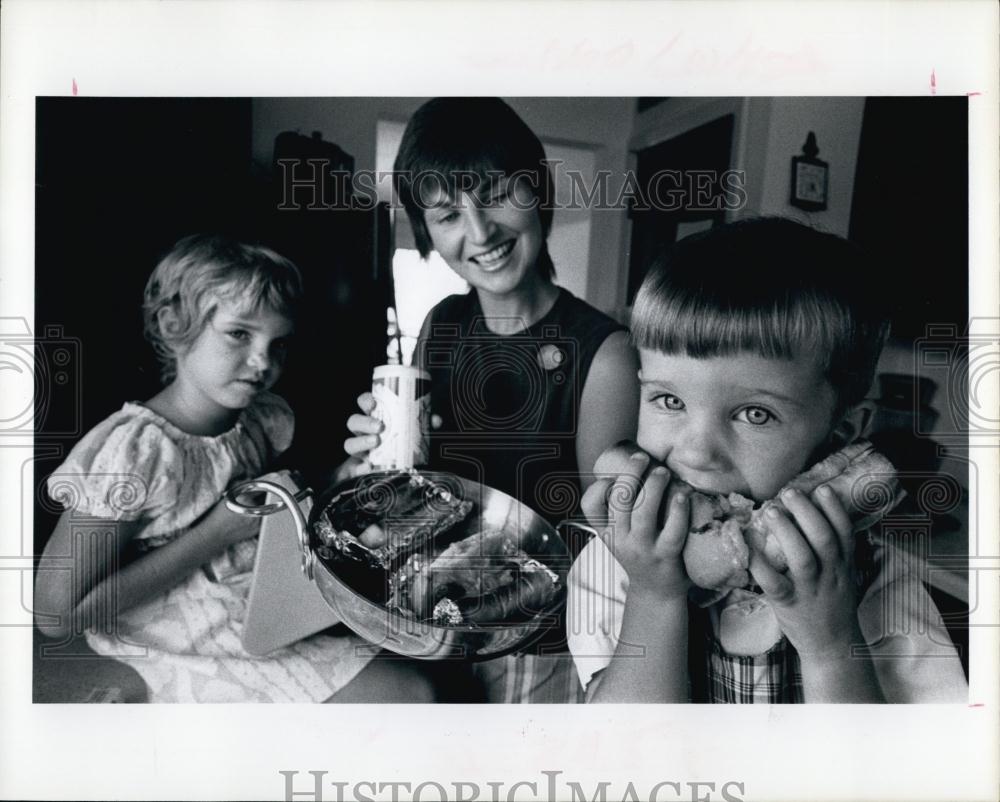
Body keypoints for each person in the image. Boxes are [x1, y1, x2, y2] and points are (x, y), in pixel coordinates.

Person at [567, 218, 968, 703]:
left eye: (754, 414)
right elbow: (625, 755)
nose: (695, 452)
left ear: (839, 434)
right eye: (669, 401)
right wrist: (654, 596)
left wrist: (830, 644)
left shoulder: (880, 586)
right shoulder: (612, 564)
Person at [35, 234, 437, 703]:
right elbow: (55, 615)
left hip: (251, 607)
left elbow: (264, 512)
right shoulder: (135, 452)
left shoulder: (257, 421)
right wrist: (215, 534)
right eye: (239, 334)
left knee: (416, 645)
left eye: (279, 343)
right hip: (172, 634)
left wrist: (346, 476)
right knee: (409, 694)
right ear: (173, 324)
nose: (263, 360)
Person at [343, 98, 640, 702]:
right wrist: (373, 467)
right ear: (426, 230)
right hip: (435, 617)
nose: (479, 233)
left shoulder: (604, 355)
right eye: (448, 213)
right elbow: (417, 489)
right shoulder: (441, 324)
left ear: (538, 189)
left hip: (536, 640)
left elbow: (604, 544)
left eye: (496, 193)